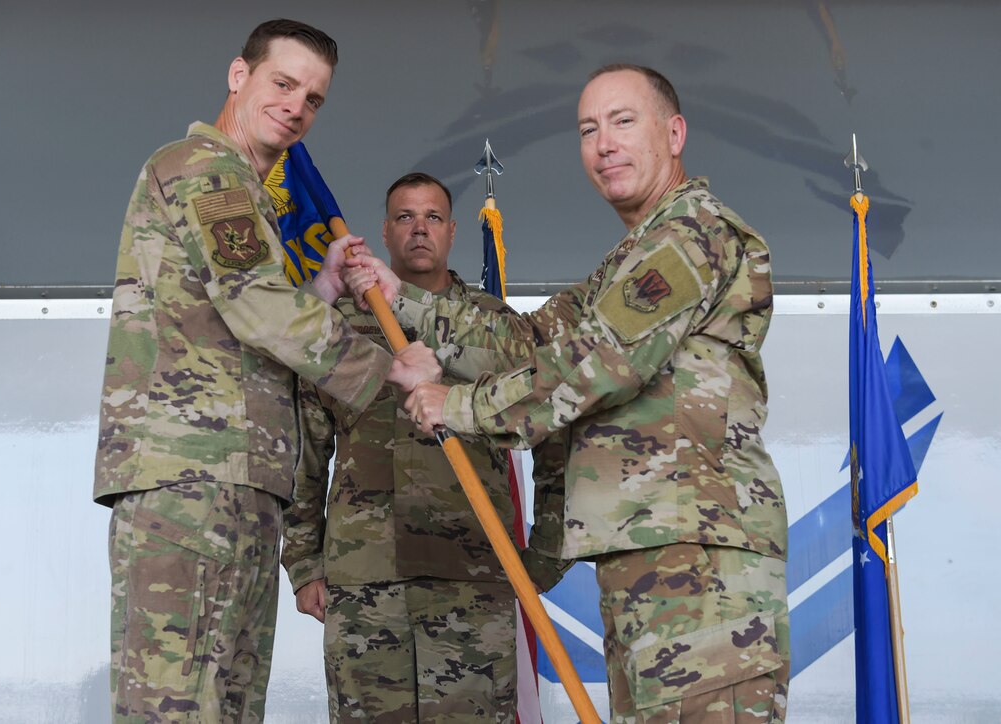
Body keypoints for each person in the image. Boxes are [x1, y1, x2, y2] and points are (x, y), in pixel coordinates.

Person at [361, 65, 789, 722]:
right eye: (588, 129)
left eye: (623, 121)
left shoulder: (691, 236)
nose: (603, 144)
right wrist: (406, 299)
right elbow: (529, 343)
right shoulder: (630, 258)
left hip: (698, 561)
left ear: (674, 133)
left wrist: (460, 407)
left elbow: (601, 363)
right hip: (652, 552)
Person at [93, 20, 438, 723]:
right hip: (194, 479)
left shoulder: (245, 192)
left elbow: (234, 313)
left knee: (226, 703)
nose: (297, 106)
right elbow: (253, 301)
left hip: (239, 477)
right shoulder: (204, 168)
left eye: (313, 98)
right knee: (179, 703)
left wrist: (318, 288)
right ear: (238, 76)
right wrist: (392, 371)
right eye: (283, 83)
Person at [282, 172, 569, 722]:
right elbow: (306, 452)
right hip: (365, 579)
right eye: (405, 218)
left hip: (471, 576)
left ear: (453, 232)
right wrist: (303, 563)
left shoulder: (496, 329)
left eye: (433, 217)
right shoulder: (338, 330)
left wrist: (545, 558)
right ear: (385, 233)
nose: (419, 230)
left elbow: (551, 438)